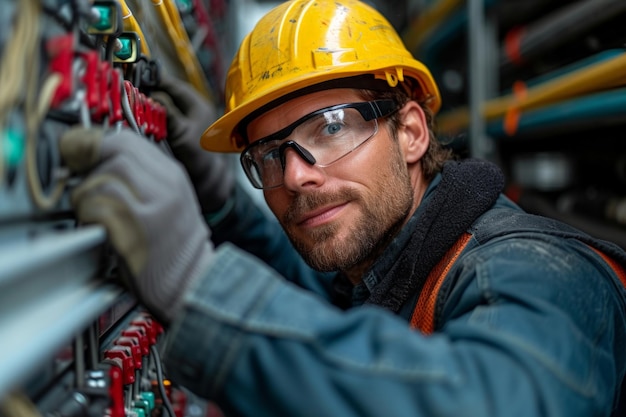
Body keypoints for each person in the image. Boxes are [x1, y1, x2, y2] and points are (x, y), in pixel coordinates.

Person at [58, 0, 626, 415]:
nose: (297, 175)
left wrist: (200, 287)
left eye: (330, 127)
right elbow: (322, 302)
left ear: (410, 132)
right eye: (269, 155)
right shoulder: (387, 265)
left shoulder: (537, 270)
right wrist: (221, 202)